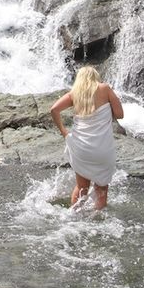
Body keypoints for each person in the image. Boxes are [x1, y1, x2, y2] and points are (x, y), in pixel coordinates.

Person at [50, 65, 124, 211]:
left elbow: (54, 109)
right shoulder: (105, 88)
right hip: (102, 148)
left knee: (81, 187)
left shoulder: (74, 94)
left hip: (81, 147)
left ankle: (73, 216)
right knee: (102, 189)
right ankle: (98, 220)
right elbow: (120, 114)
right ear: (95, 77)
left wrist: (64, 131)